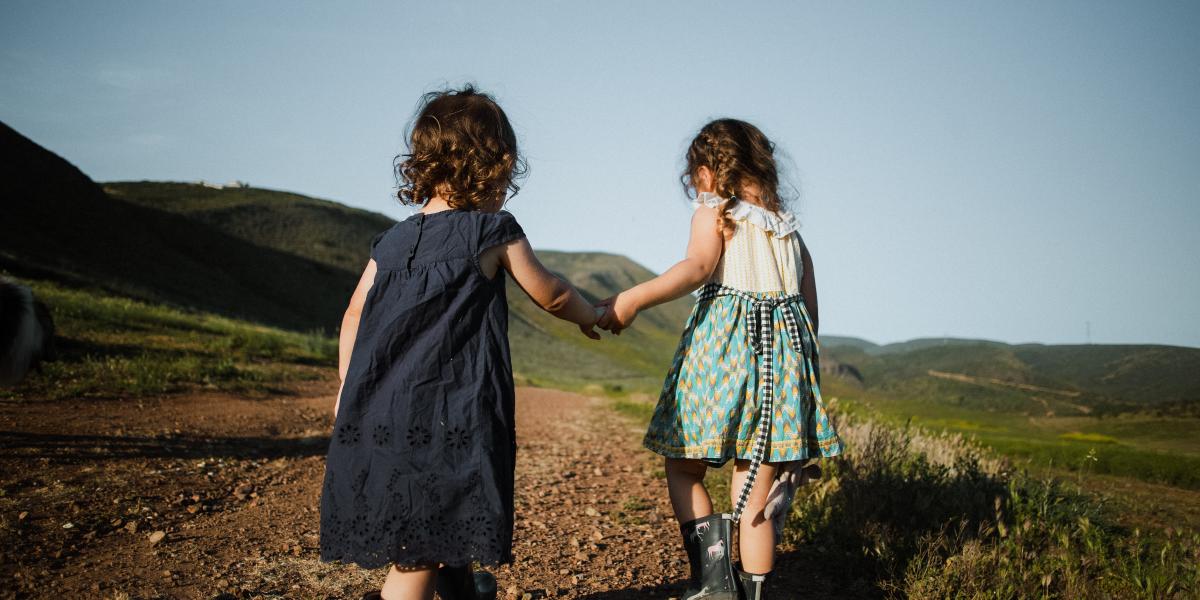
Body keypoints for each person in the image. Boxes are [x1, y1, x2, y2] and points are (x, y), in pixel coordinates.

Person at [319, 86, 601, 600]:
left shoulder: (392, 240)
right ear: (497, 164)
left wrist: (347, 387)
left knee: (437, 521)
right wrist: (595, 313)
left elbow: (354, 312)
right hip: (451, 410)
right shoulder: (492, 231)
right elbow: (553, 294)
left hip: (380, 408)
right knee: (417, 553)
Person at [597, 119, 842, 600]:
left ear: (710, 170)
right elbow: (810, 312)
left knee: (683, 466)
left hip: (721, 358)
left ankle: (713, 582)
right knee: (754, 493)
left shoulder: (716, 213)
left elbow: (697, 268)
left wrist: (631, 300)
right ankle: (752, 592)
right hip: (782, 369)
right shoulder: (791, 233)